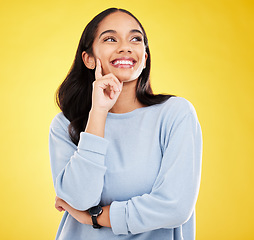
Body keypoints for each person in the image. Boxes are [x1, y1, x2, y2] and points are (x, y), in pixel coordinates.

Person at [49, 7, 202, 240]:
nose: (125, 47)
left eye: (135, 39)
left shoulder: (175, 114)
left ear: (145, 58)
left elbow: (176, 206)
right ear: (88, 58)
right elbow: (79, 199)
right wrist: (99, 112)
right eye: (110, 39)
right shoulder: (65, 125)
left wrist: (94, 217)